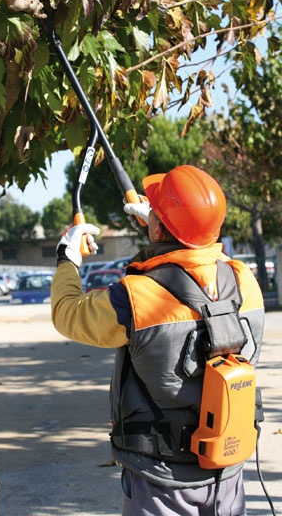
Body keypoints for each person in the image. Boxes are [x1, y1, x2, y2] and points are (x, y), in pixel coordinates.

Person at [51, 165, 264, 516]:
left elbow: (67, 313)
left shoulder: (135, 297)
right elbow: (206, 260)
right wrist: (163, 227)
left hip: (162, 477)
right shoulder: (244, 280)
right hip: (227, 467)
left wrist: (67, 258)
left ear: (159, 227)